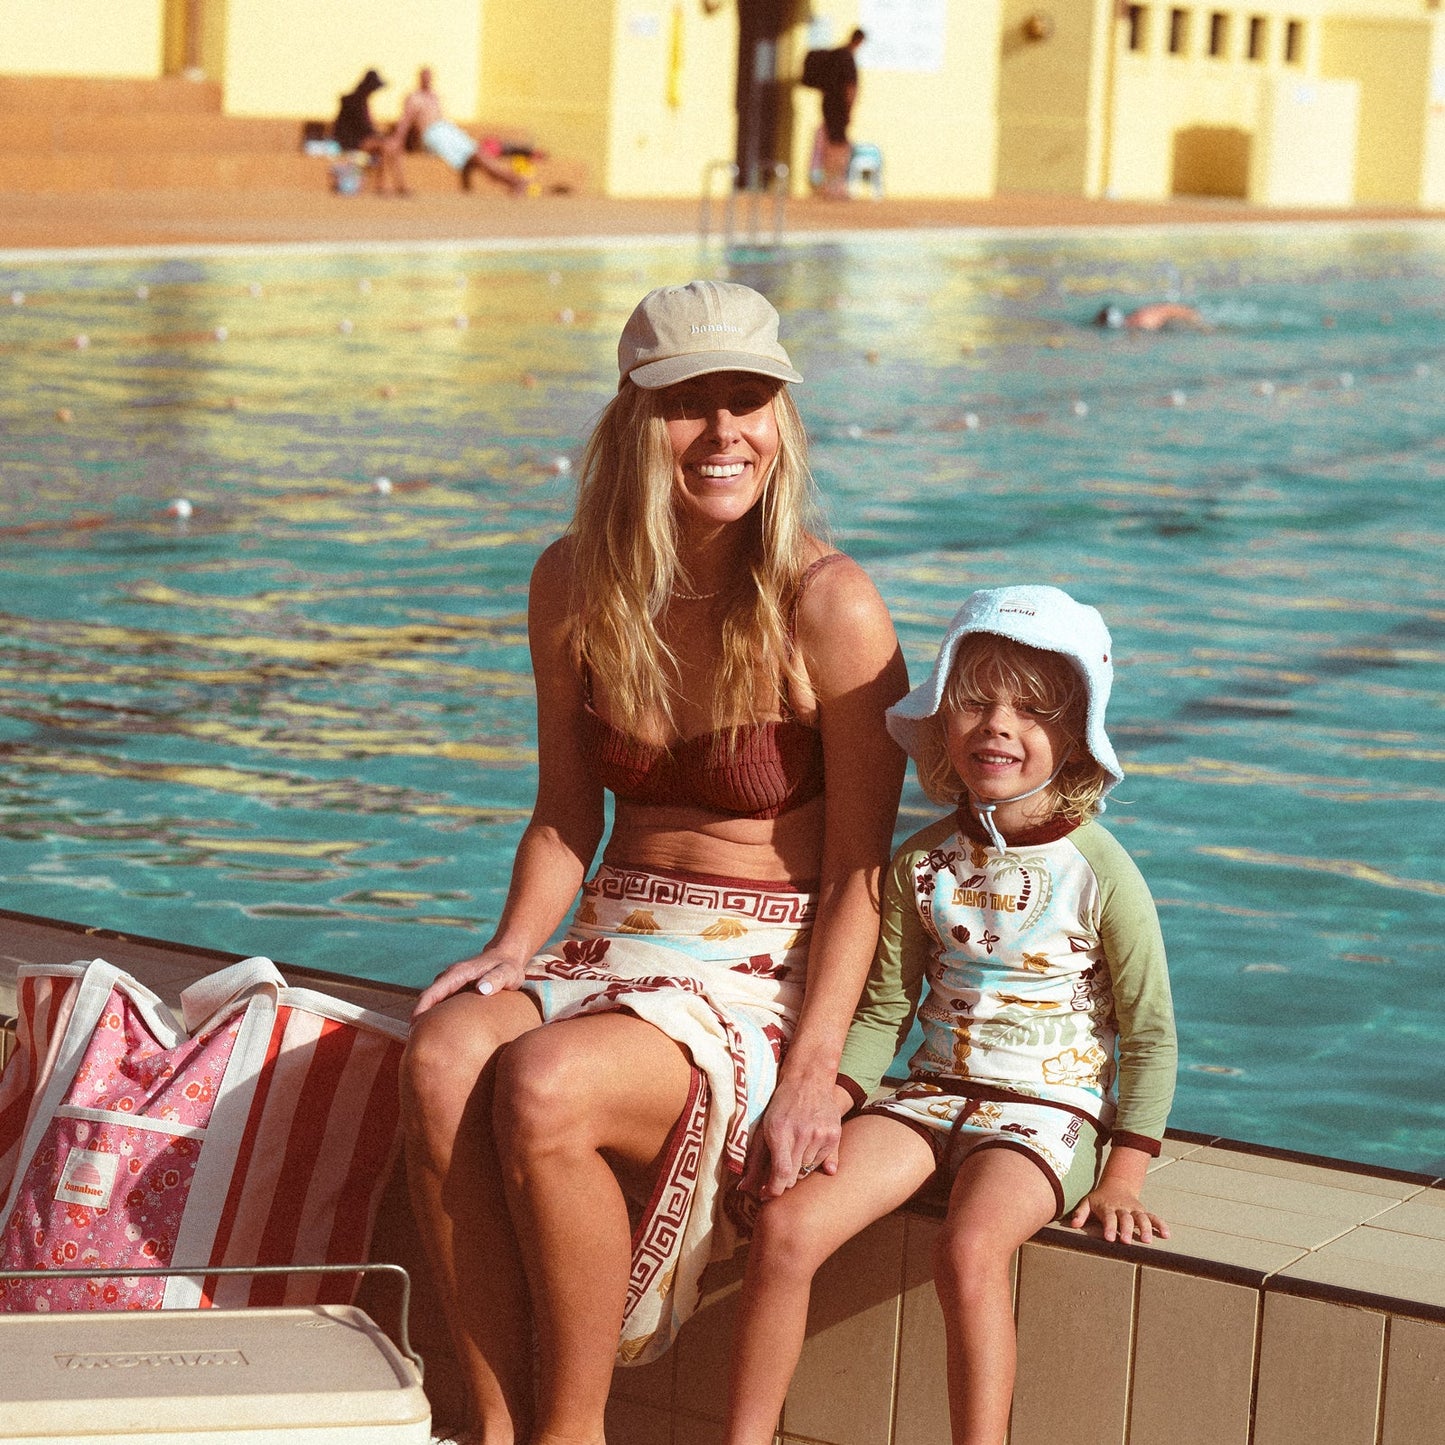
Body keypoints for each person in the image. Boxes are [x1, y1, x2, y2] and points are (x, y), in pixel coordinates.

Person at [401, 280, 908, 1445]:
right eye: (690, 402)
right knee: (439, 1054)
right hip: (607, 940)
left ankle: (568, 1434)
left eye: (749, 400)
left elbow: (857, 875)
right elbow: (561, 818)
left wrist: (815, 1069)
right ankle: (491, 1423)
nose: (723, 431)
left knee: (542, 1083)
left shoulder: (829, 605)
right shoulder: (573, 582)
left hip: (756, 970)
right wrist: (511, 949)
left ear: (781, 419)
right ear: (634, 418)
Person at [724, 584, 1177, 1445]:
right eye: (974, 700)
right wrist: (830, 1096)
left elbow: (1149, 1031)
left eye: (1031, 709)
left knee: (967, 1250)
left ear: (1076, 734)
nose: (997, 725)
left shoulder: (1100, 872)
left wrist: (1124, 1172)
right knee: (784, 1226)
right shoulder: (921, 861)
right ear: (941, 718)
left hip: (1050, 1110)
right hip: (932, 1093)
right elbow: (885, 1008)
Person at [384, 66, 527, 195]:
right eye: (424, 76)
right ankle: (513, 180)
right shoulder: (414, 98)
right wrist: (398, 139)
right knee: (475, 158)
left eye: (429, 76)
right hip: (434, 135)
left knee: (478, 155)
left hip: (447, 130)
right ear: (420, 78)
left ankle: (512, 180)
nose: (427, 79)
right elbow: (406, 120)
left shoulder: (435, 97)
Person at [817, 28, 865, 199]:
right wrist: (849, 111)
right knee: (840, 149)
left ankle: (828, 185)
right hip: (839, 109)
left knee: (830, 146)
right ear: (859, 41)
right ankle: (835, 187)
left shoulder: (834, 55)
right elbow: (851, 88)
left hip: (827, 106)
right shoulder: (848, 58)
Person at [1095, 301, 1208, 330]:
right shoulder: (1139, 316)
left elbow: (1168, 309)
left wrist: (1193, 318)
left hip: (1186, 318)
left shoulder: (1144, 319)